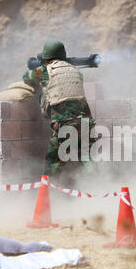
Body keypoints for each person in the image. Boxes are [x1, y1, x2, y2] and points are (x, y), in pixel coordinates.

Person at [23, 40, 96, 181]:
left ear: (46, 57)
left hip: (64, 125)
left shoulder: (44, 71)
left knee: (53, 162)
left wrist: (40, 67)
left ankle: (48, 193)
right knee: (87, 156)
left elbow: (27, 78)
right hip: (85, 123)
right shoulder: (76, 70)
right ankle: (98, 187)